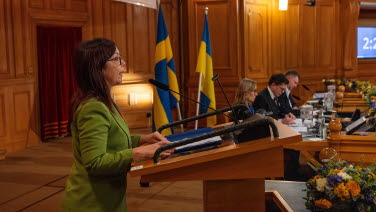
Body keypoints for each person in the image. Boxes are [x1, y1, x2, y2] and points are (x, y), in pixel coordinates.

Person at [62, 38, 173, 212]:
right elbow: (95, 162)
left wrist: (142, 139)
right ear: (98, 66)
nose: (124, 64)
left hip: (108, 199)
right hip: (91, 203)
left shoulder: (104, 101)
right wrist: (138, 152)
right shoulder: (93, 107)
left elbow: (111, 141)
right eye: (117, 59)